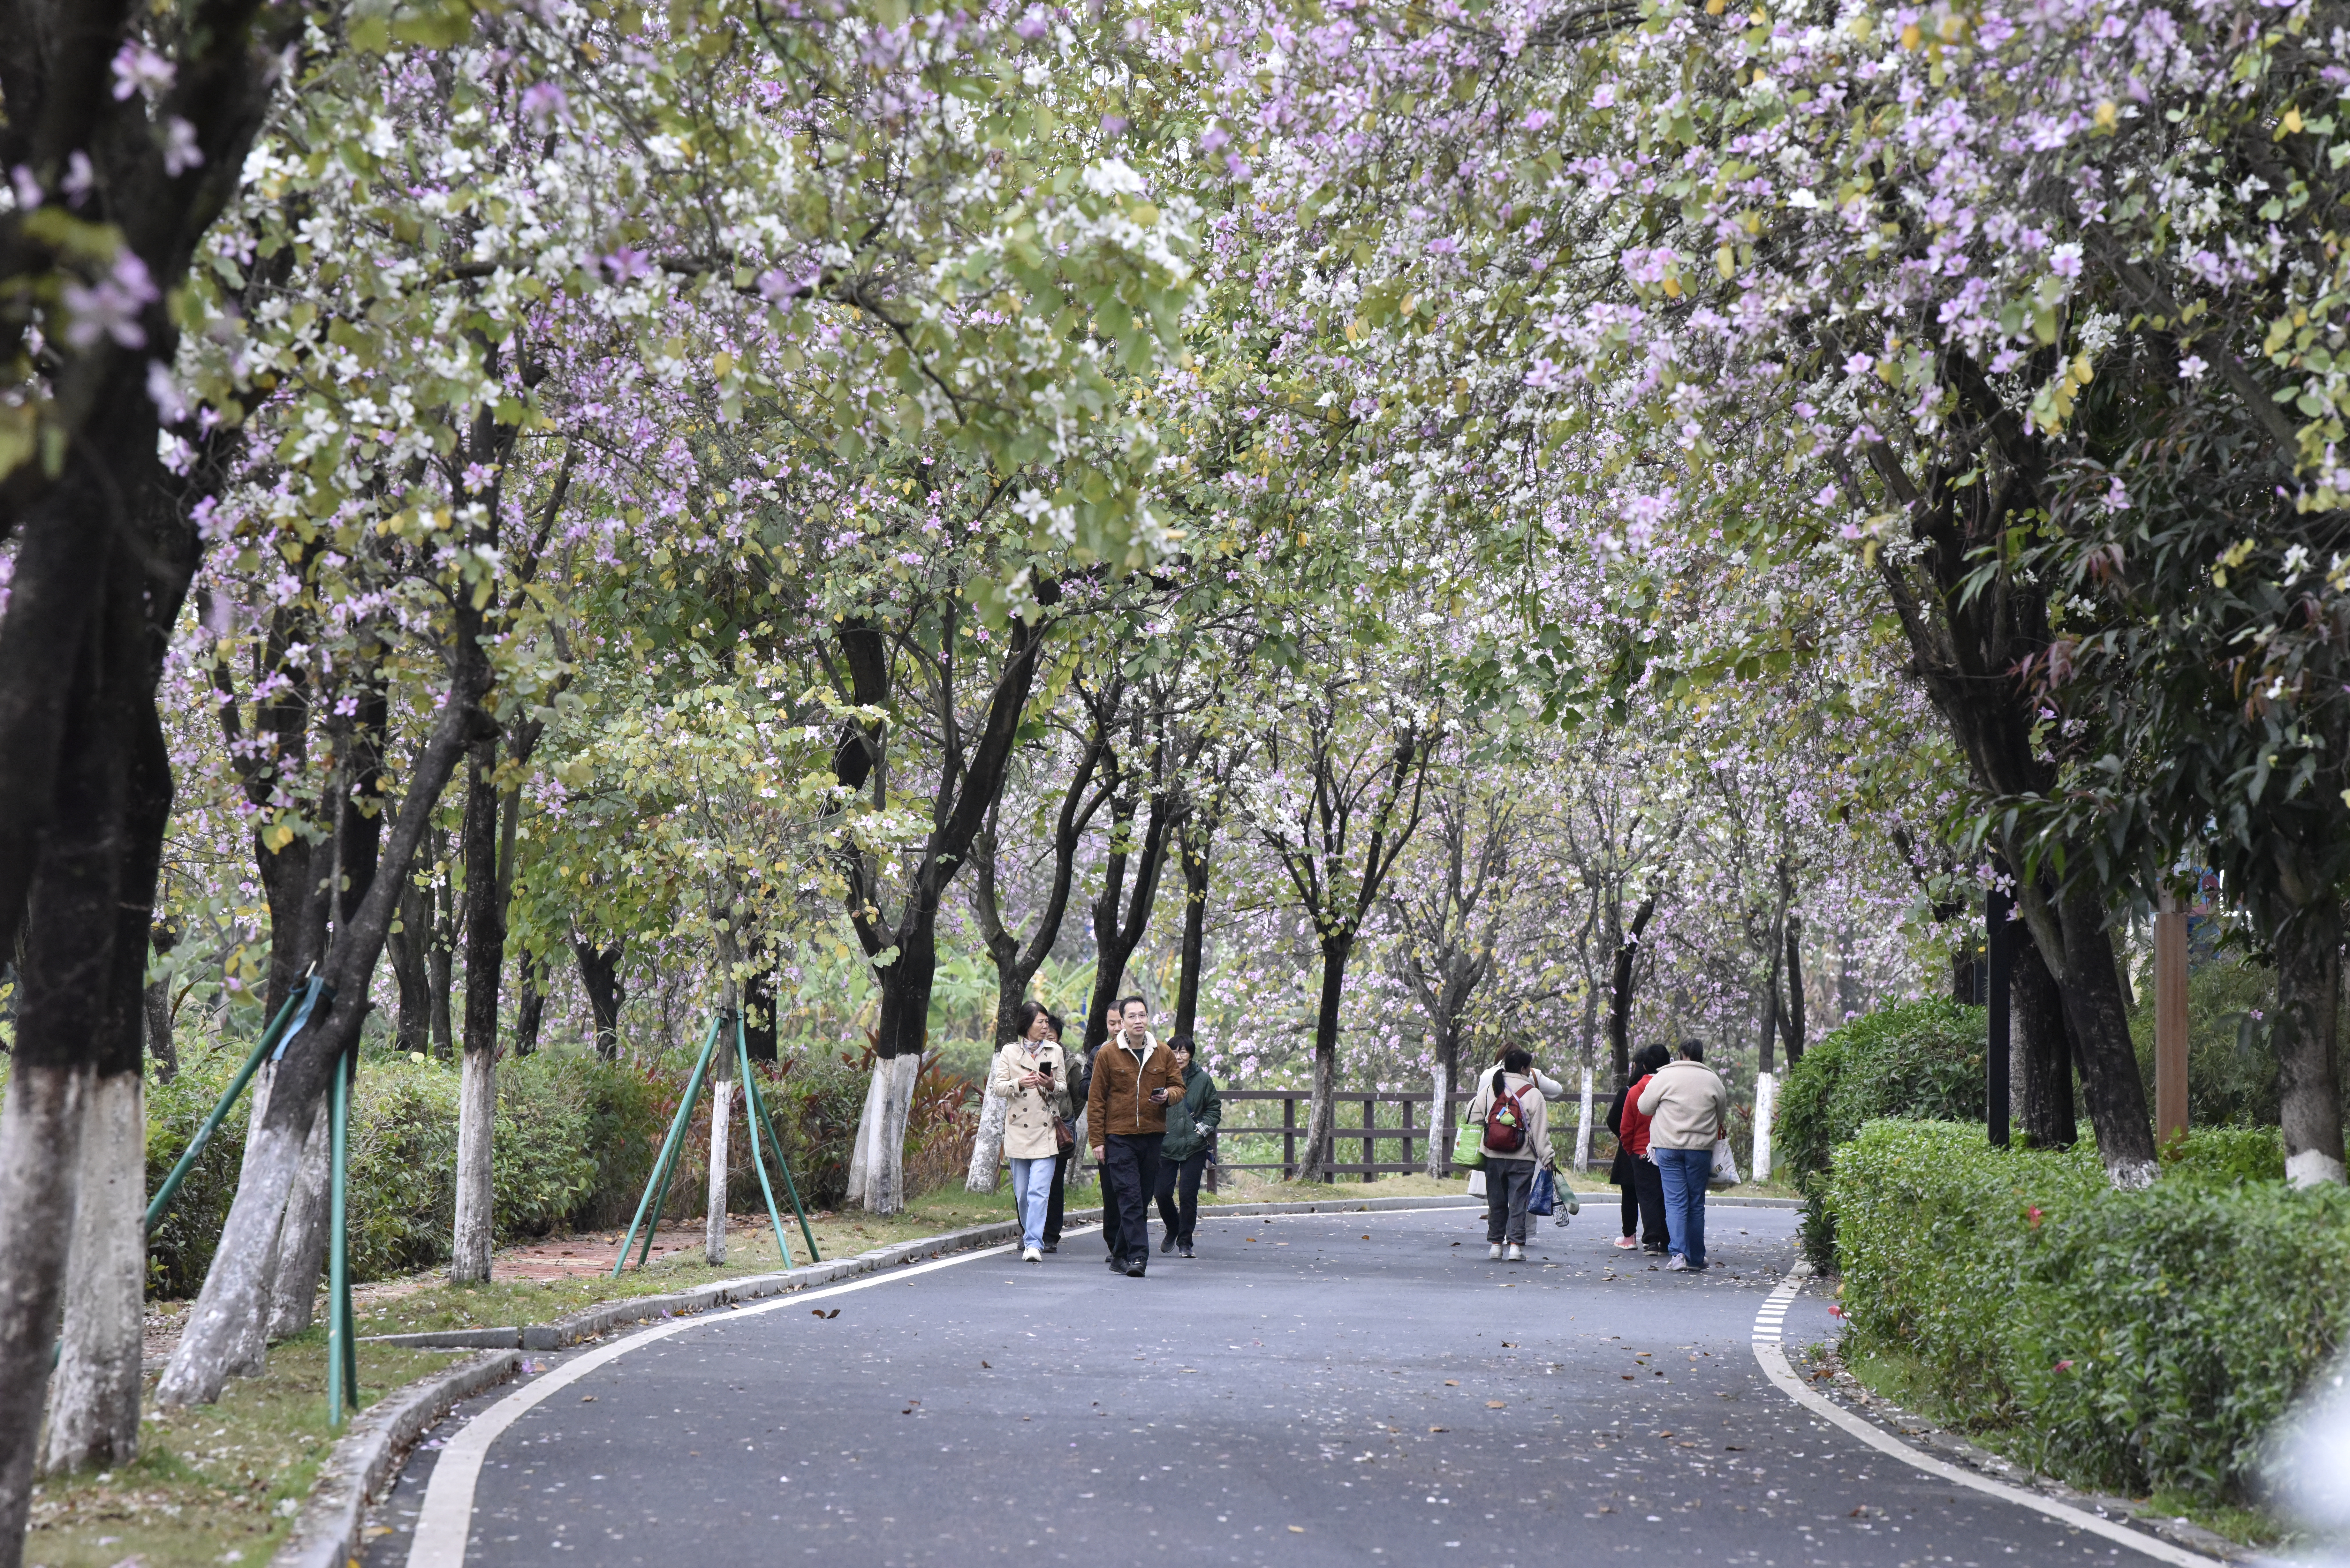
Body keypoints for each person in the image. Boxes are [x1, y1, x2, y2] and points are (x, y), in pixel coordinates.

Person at [1086, 994, 1185, 1278]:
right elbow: (1096, 1101)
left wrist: (1168, 1096)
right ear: (1122, 1022)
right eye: (1132, 1017)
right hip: (1119, 1136)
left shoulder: (1163, 1052)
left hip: (1152, 1136)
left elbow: (1179, 1087)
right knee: (1128, 1196)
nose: (1138, 1021)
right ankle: (1139, 1257)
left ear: (1147, 1018)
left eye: (1142, 1015)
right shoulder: (1107, 1054)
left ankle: (1119, 1256)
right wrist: (1098, 1141)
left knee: (1141, 1200)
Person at [1637, 1039, 1732, 1272]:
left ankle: (1678, 1255)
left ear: (1681, 1055)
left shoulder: (1664, 1077)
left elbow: (1644, 1107)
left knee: (1675, 1203)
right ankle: (1697, 1258)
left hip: (1668, 1148)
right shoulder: (1713, 1080)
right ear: (1701, 1057)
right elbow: (1721, 1116)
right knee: (1696, 1203)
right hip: (1700, 1150)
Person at [989, 1000, 1070, 1263]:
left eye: (1047, 1022)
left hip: (1046, 1130)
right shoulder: (1010, 1052)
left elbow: (1063, 1088)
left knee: (1039, 1191)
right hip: (1018, 1130)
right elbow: (998, 1087)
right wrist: (1018, 1083)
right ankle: (1029, 1236)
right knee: (1022, 1193)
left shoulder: (1054, 1050)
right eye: (1041, 1022)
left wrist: (1050, 1084)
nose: (1046, 1027)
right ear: (1027, 1025)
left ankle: (1034, 1243)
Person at [1464, 1046, 1552, 1262]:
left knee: (1497, 1202)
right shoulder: (1534, 1094)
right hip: (1522, 1159)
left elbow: (1471, 1117)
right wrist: (1548, 1158)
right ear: (1524, 1069)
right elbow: (1541, 1132)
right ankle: (1515, 1247)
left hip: (1493, 1157)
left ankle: (1496, 1246)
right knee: (1518, 1202)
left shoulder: (1491, 1090)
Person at [1153, 1035, 1220, 1259]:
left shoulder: (1203, 1080)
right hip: (1165, 1144)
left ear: (1191, 1054)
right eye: (1174, 1052)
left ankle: (1185, 1242)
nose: (1179, 1057)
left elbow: (1214, 1108)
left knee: (1188, 1195)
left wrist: (1205, 1126)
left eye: (1183, 1052)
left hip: (1194, 1145)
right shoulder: (1158, 1077)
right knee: (1162, 1193)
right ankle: (1174, 1226)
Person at [1606, 1044, 1672, 1254]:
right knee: (1670, 1196)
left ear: (1642, 1066)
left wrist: (1630, 1149)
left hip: (1640, 1152)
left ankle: (1651, 1241)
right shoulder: (1672, 1089)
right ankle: (1668, 1240)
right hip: (1669, 1149)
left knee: (1647, 1198)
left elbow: (1624, 1126)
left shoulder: (1634, 1092)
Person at [1042, 1011, 1078, 1253]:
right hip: (1032, 1127)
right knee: (1029, 1183)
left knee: (1055, 1182)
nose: (1048, 1040)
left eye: (1052, 1036)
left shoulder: (1071, 1064)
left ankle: (1051, 1234)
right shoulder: (1026, 1057)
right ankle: (1030, 1231)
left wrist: (1065, 1117)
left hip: (1059, 1128)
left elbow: (1079, 1098)